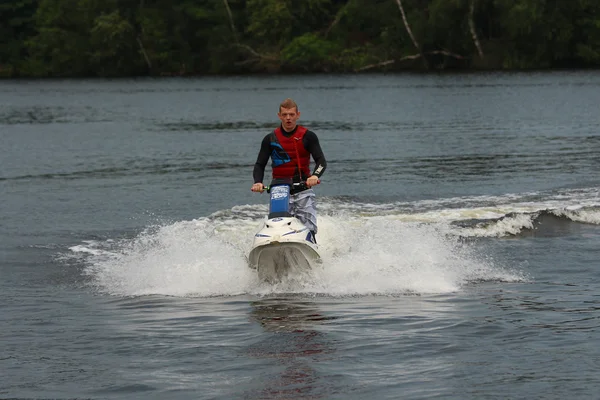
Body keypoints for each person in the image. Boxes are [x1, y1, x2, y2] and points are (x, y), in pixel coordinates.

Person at [251, 98, 327, 240]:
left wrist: (315, 176)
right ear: (279, 116)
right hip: (279, 190)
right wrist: (258, 182)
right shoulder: (270, 139)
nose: (288, 118)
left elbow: (321, 161)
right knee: (278, 229)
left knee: (309, 228)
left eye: (291, 115)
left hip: (304, 188)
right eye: (285, 115)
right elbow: (259, 164)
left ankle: (311, 246)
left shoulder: (308, 136)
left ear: (298, 115)